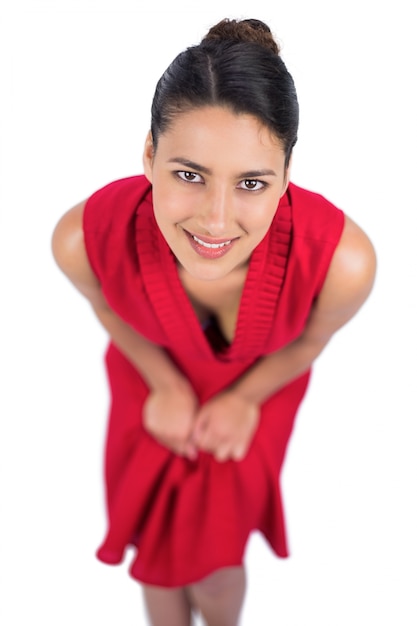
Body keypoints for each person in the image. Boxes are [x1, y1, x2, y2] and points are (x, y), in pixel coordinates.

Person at [52, 17, 376, 626]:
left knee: (217, 574)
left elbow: (311, 339)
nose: (217, 221)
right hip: (148, 383)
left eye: (252, 182)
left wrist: (247, 399)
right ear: (149, 155)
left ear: (287, 175)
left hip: (264, 390)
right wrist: (165, 382)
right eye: (189, 175)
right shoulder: (83, 237)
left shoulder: (343, 263)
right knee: (155, 550)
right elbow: (103, 303)